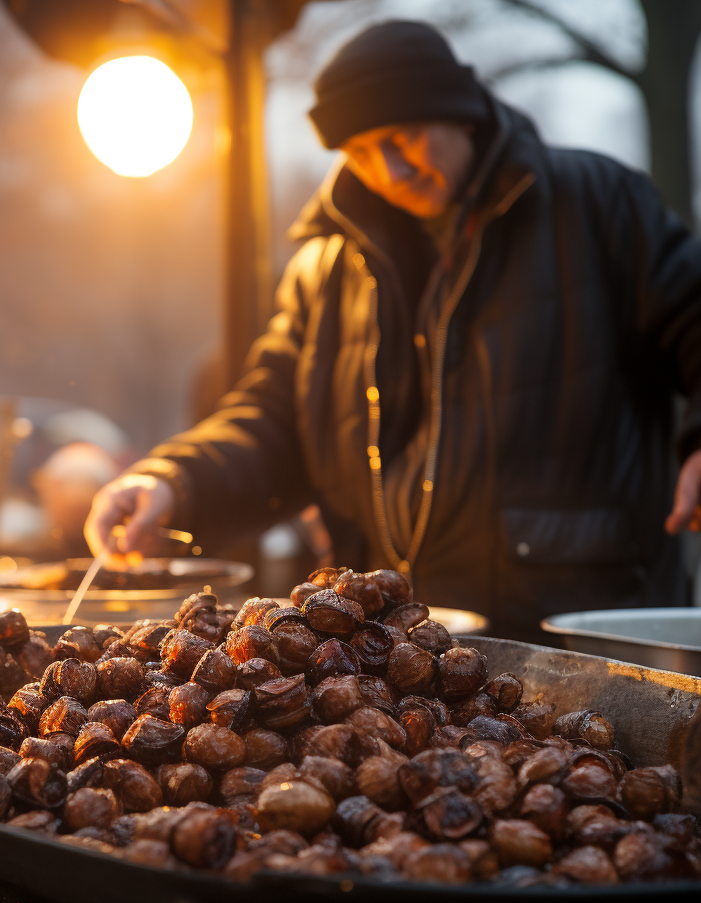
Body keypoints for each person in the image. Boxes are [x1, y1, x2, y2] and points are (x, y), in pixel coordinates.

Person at [84, 20, 701, 641]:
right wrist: (171, 480)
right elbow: (270, 422)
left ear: (460, 113)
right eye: (360, 152)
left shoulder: (598, 205)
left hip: (575, 647)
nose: (391, 170)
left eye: (404, 137)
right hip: (391, 668)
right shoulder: (322, 268)